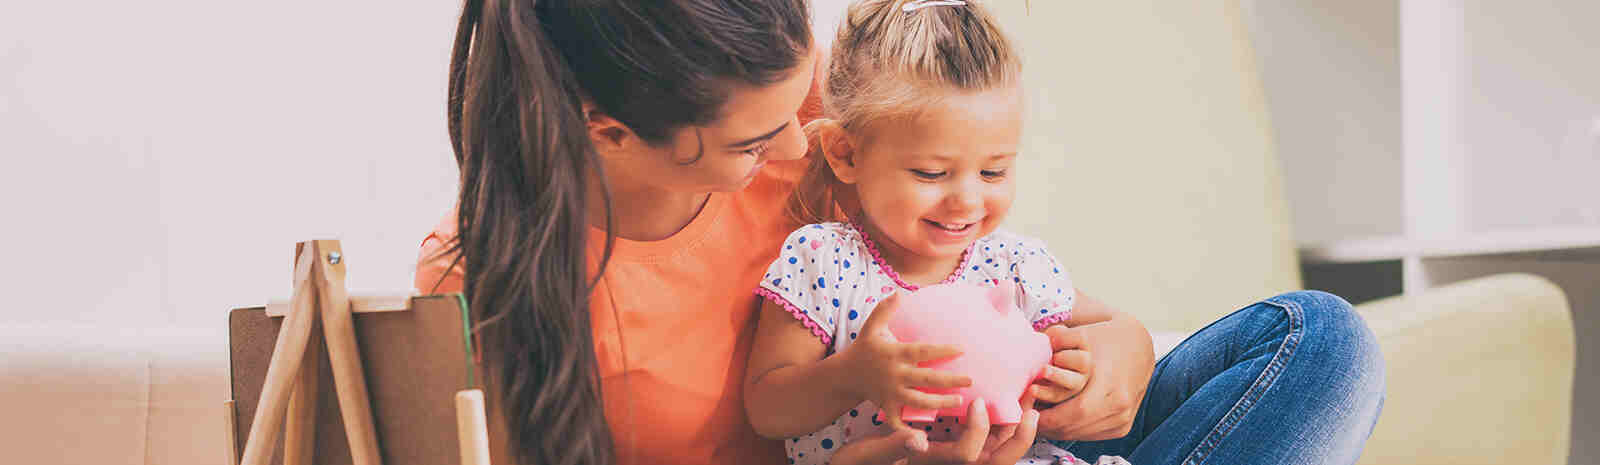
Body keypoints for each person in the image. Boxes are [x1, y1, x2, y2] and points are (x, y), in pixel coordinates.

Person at [416, 1, 1386, 464]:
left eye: (804, 110)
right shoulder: (493, 279)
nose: (803, 145)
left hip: (1009, 444)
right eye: (756, 141)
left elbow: (1035, 295)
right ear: (609, 130)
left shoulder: (818, 147)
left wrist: (1117, 356)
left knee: (1321, 343)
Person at [742, 1, 1113, 464]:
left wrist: (1071, 373)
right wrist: (855, 374)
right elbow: (766, 409)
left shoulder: (1015, 266)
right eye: (931, 174)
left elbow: (1100, 334)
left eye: (993, 173)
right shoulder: (824, 261)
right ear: (846, 155)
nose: (967, 201)